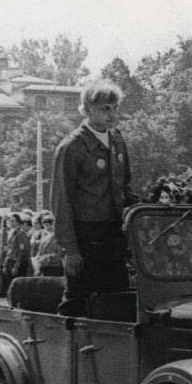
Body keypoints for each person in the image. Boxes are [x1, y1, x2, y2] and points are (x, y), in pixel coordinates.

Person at [50, 79, 139, 317]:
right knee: (76, 302)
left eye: (115, 108)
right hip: (85, 235)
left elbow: (125, 189)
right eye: (104, 109)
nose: (112, 115)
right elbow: (61, 200)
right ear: (87, 110)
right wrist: (70, 250)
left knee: (115, 299)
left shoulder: (117, 141)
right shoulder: (72, 147)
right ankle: (66, 350)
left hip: (114, 235)